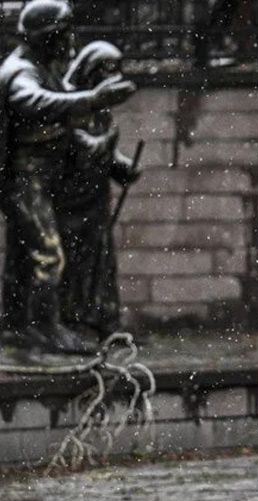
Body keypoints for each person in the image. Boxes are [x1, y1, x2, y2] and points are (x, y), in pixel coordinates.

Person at [0, 0, 135, 353]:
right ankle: (45, 329)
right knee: (47, 256)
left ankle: (18, 325)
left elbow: (68, 127)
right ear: (50, 37)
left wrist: (117, 164)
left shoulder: (45, 68)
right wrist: (93, 98)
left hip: (43, 179)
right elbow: (35, 103)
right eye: (64, 34)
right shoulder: (21, 72)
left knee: (23, 256)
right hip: (25, 179)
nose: (69, 40)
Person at [58, 41, 140, 338]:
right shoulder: (69, 101)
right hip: (69, 202)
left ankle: (101, 322)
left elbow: (106, 150)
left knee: (99, 266)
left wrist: (123, 168)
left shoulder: (100, 110)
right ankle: (73, 322)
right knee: (72, 266)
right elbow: (79, 145)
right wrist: (106, 144)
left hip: (95, 201)